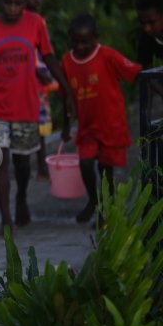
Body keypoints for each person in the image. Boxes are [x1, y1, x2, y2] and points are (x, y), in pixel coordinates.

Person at [0, 0, 74, 234]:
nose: (13, 8)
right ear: (0, 2)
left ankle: (22, 198)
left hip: (26, 105)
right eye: (8, 3)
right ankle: (6, 220)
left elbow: (48, 58)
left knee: (23, 162)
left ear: (26, 2)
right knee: (0, 161)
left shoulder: (36, 24)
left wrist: (67, 90)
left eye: (18, 3)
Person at [60, 14, 141, 223]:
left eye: (85, 41)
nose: (80, 46)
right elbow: (65, 97)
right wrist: (66, 125)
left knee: (106, 170)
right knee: (85, 163)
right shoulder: (67, 62)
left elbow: (136, 73)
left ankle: (107, 210)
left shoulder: (107, 56)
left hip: (110, 125)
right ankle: (93, 200)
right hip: (87, 127)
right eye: (75, 41)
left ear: (95, 38)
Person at [23, 0, 56, 179]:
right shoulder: (23, 23)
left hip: (40, 82)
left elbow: (45, 51)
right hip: (26, 82)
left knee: (41, 124)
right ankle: (30, 166)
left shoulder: (39, 22)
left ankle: (42, 165)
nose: (37, 0)